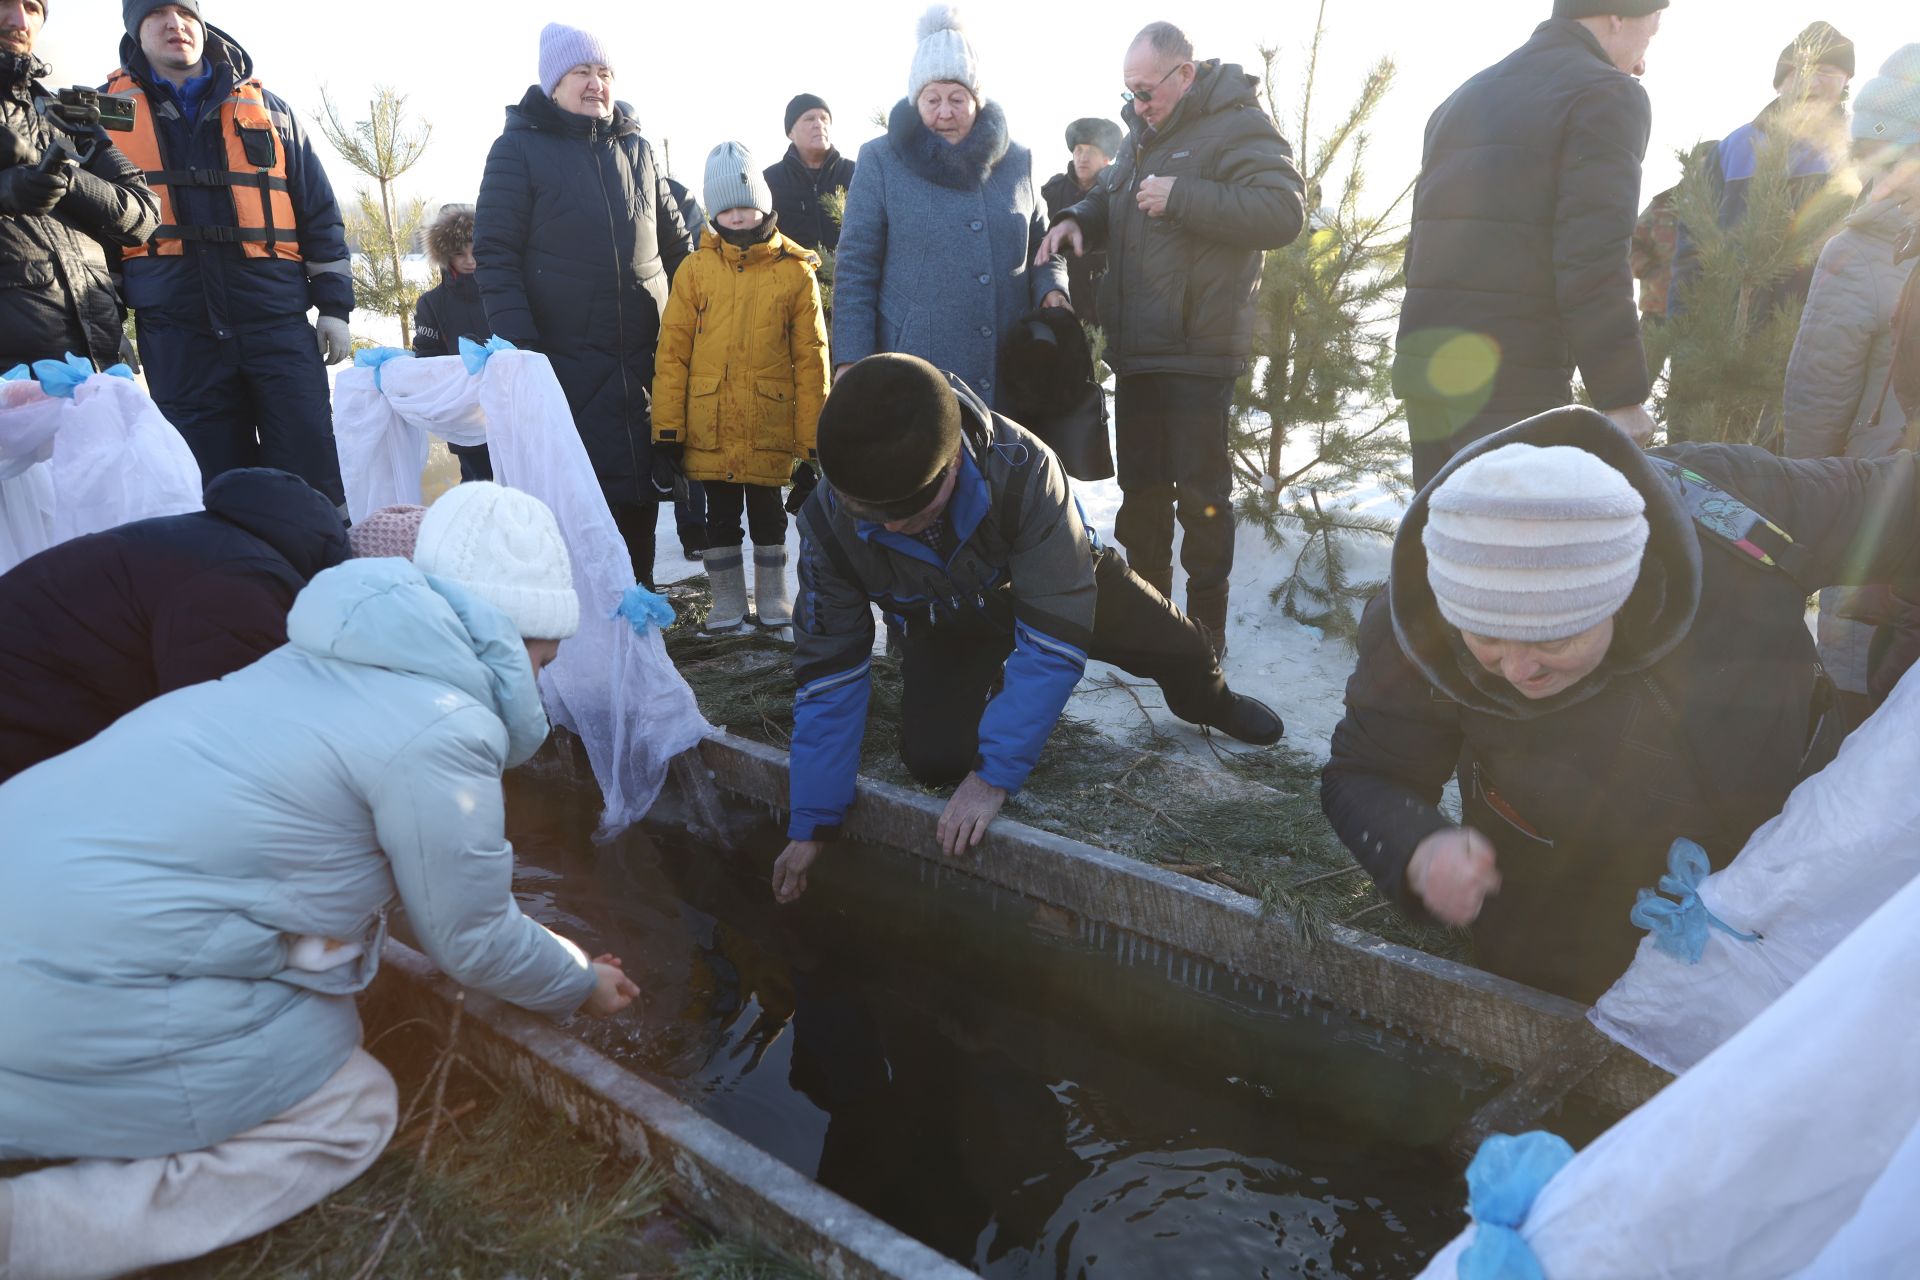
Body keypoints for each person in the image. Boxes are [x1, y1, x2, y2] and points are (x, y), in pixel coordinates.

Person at [0, 481, 640, 1278]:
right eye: (541, 661)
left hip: (30, 917)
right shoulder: (446, 725)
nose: (540, 684)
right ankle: (35, 1231)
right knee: (348, 1100)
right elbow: (471, 937)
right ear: (513, 640)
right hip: (51, 999)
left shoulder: (295, 664)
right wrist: (577, 981)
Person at [1321, 406, 1920, 1003]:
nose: (1518, 670)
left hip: (1799, 859)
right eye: (1485, 640)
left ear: (1624, 588)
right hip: (1566, 919)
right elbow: (1367, 772)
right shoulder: (1418, 625)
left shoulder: (1732, 511)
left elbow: (1907, 503)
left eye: (1553, 639)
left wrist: (1897, 678)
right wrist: (1418, 848)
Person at [770, 354, 1284, 904]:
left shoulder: (1024, 469)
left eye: (912, 510)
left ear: (951, 465)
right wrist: (812, 821)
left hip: (1064, 584)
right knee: (935, 759)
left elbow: (1054, 641)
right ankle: (994, 697)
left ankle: (1212, 701)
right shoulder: (828, 525)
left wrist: (994, 777)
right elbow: (829, 673)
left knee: (1182, 651)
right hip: (948, 619)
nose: (894, 526)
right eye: (875, 514)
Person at [1034, 21, 1305, 655]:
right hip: (1139, 351)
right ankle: (1153, 627)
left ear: (1185, 75)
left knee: (1203, 500)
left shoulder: (1238, 124)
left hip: (1198, 349)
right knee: (1142, 495)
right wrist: (1077, 220)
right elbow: (1109, 197)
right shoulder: (1139, 137)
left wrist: (1185, 196)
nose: (1136, 104)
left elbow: (1282, 212)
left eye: (1146, 90)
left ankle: (1205, 637)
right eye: (1127, 92)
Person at [1390, 0, 1665, 488]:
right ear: (1617, 17)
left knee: (1442, 548)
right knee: (1515, 555)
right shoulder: (1607, 95)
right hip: (1513, 384)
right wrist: (1621, 395)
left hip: (1428, 373)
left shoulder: (1465, 95)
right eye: (1651, 31)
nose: (1645, 58)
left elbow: (1424, 246)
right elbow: (1594, 254)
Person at [105, 0, 354, 511]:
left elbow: (319, 215)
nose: (175, 24)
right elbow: (92, 239)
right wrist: (105, 331)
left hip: (277, 327)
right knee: (212, 488)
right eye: (157, 15)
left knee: (311, 475)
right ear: (135, 29)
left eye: (185, 13)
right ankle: (237, 589)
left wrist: (334, 308)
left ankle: (327, 578)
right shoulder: (104, 120)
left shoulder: (274, 112)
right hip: (178, 338)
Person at [475, 22, 693, 589]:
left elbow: (677, 248)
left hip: (646, 357)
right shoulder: (517, 150)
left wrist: (699, 321)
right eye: (581, 73)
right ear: (553, 84)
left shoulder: (638, 149)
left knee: (643, 485)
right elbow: (494, 254)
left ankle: (640, 612)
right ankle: (585, 627)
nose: (595, 84)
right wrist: (521, 348)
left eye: (604, 73)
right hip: (564, 357)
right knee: (580, 491)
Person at [0, 466, 346, 784]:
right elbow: (230, 733)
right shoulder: (244, 581)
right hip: (25, 717)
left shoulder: (207, 539)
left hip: (39, 694)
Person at [833, 6, 1070, 411]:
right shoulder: (881, 161)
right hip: (914, 370)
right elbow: (856, 266)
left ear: (977, 98)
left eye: (957, 98)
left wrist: (1052, 289)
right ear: (915, 100)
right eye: (933, 99)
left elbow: (1044, 249)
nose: (945, 112)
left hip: (1006, 368)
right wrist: (851, 360)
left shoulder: (1018, 162)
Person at [1784, 47, 1920, 725]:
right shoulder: (1858, 253)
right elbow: (1817, 395)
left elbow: (1814, 403)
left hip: (1880, 510)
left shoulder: (1862, 251)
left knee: (1864, 708)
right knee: (1860, 696)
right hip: (1872, 511)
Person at [653, 142, 828, 633]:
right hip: (709, 422)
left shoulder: (795, 273)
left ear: (765, 203)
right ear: (714, 212)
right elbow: (672, 354)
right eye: (726, 209)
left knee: (770, 518)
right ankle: (727, 602)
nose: (738, 217)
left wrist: (813, 447)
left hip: (768, 422)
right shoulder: (695, 270)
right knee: (720, 519)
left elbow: (812, 361)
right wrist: (666, 432)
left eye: (746, 205)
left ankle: (773, 600)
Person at [0, 0, 157, 372]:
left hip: (90, 367)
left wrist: (68, 180)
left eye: (32, 7)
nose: (20, 20)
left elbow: (146, 215)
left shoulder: (65, 115)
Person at [1671, 22, 1855, 318]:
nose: (1813, 83)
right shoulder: (1733, 149)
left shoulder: (1859, 152)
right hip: (1731, 336)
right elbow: (1693, 251)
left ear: (1845, 81)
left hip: (1821, 334)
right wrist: (1683, 336)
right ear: (1779, 82)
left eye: (1829, 72)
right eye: (1800, 71)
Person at [412, 202, 493, 482]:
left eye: (475, 250)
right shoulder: (432, 304)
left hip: (509, 410)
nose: (470, 260)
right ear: (446, 257)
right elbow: (426, 355)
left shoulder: (503, 293)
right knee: (476, 483)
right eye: (460, 253)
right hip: (465, 417)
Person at [1040, 116, 1122, 317]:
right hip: (1060, 296)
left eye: (1091, 152)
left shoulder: (1118, 193)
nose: (1083, 158)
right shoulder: (1052, 190)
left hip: (1106, 304)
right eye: (1079, 150)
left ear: (1106, 159)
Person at [765, 92, 857, 254]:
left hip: (851, 275)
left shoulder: (855, 174)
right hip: (793, 277)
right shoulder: (770, 181)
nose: (818, 124)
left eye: (824, 118)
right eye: (809, 119)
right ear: (790, 132)